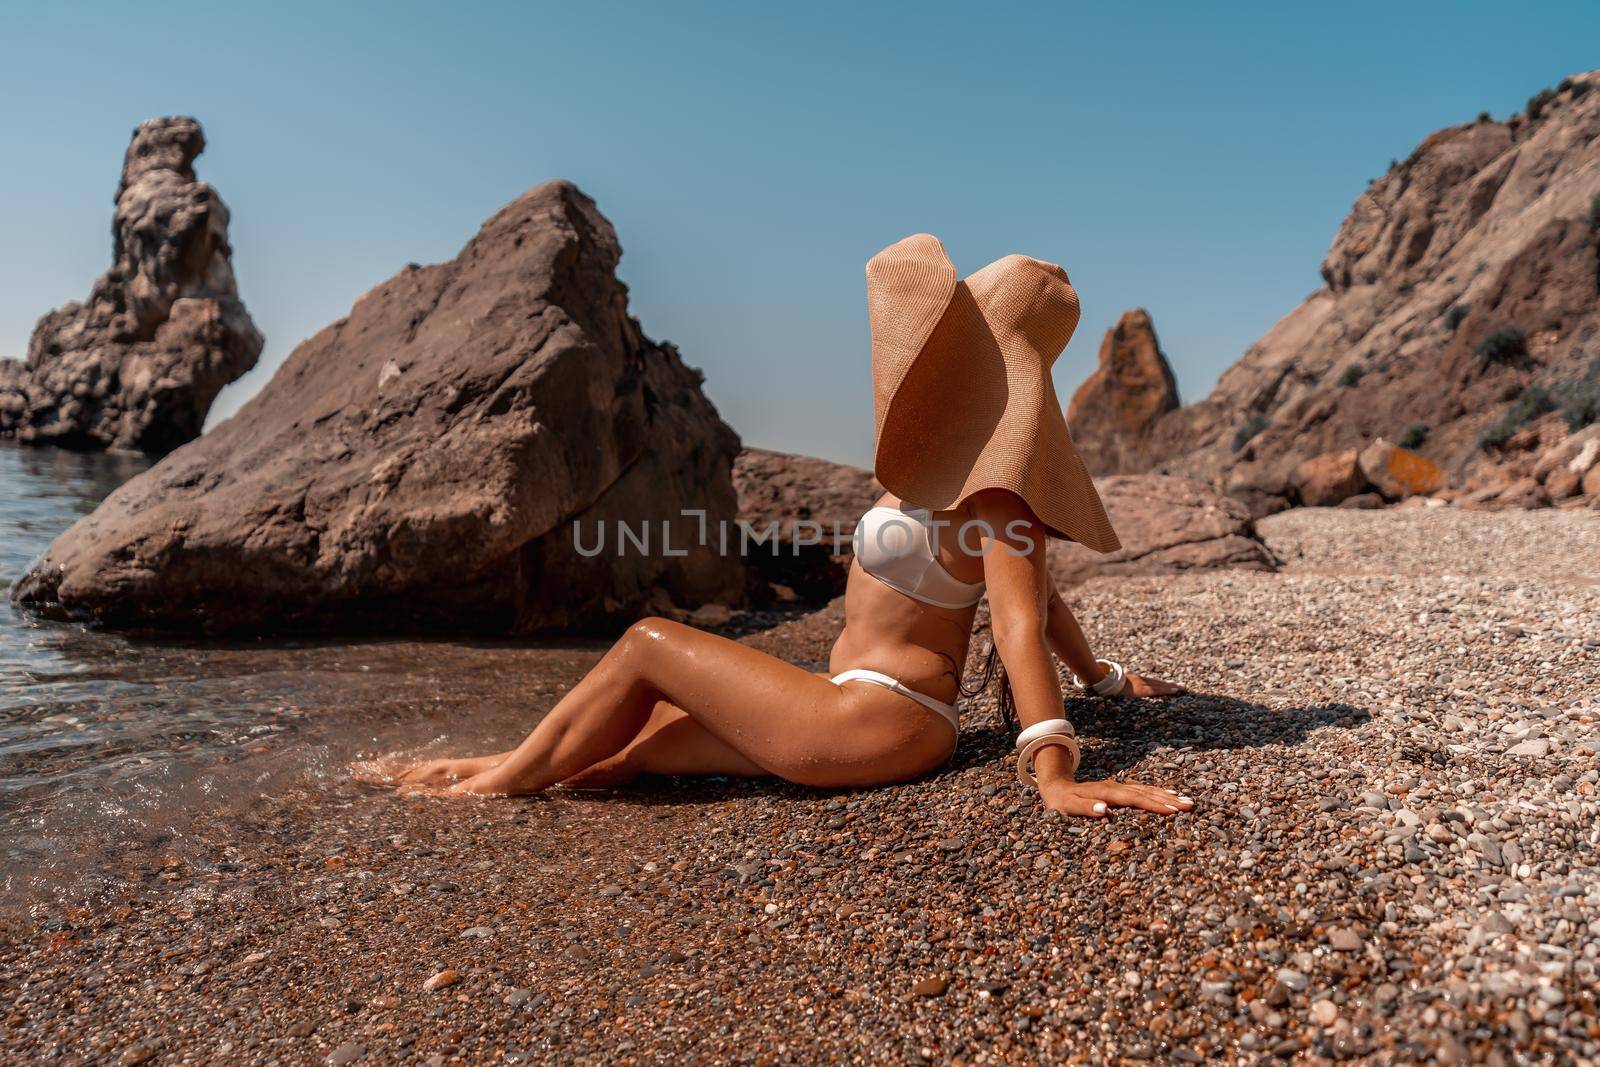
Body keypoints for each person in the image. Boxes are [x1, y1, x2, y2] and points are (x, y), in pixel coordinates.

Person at [374, 233, 1191, 818]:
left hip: (889, 718)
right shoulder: (955, 468)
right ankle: (495, 765)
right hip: (852, 699)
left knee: (648, 643)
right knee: (633, 745)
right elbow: (1047, 605)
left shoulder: (1001, 496)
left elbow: (1018, 617)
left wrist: (1053, 766)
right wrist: (1106, 678)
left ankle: (490, 787)